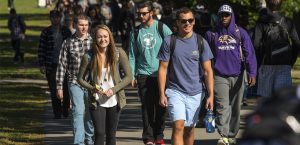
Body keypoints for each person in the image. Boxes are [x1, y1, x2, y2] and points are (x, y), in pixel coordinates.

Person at [157, 7, 214, 145]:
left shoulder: (201, 42)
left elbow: (207, 71)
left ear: (194, 22)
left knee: (189, 129)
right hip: (175, 91)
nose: (187, 23)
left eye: (190, 20)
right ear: (177, 22)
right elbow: (162, 69)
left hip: (196, 92)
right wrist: (162, 93)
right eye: (183, 21)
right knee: (178, 126)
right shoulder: (169, 41)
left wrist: (211, 95)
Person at [204, 4, 257, 145]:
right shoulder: (211, 34)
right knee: (222, 106)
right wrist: (204, 76)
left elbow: (249, 53)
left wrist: (252, 72)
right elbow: (205, 58)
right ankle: (223, 135)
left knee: (235, 107)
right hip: (219, 76)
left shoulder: (241, 33)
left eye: (226, 15)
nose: (224, 17)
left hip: (238, 75)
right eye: (221, 15)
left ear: (231, 16)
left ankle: (231, 135)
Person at [77, 24, 131, 145]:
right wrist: (93, 88)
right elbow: (80, 79)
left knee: (111, 134)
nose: (103, 39)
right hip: (96, 100)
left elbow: (129, 77)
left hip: (114, 99)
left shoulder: (119, 53)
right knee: (100, 133)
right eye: (99, 37)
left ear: (110, 37)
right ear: (95, 39)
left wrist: (114, 89)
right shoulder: (89, 56)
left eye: (105, 36)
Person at [128, 1, 172, 144]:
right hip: (143, 74)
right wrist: (132, 74)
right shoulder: (135, 32)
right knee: (147, 107)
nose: (141, 16)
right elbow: (132, 55)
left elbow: (174, 46)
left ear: (151, 13)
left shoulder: (161, 27)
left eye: (144, 13)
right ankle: (148, 138)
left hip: (161, 74)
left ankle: (159, 135)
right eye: (139, 13)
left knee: (161, 107)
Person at [56, 14, 94, 145]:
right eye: (81, 25)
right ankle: (79, 142)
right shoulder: (68, 42)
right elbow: (62, 65)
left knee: (90, 112)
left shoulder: (94, 41)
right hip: (74, 82)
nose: (83, 28)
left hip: (91, 83)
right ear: (75, 25)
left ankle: (89, 139)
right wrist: (59, 87)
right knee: (78, 111)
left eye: (86, 25)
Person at [253, 0, 300, 98]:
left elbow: (256, 45)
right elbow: (296, 43)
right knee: (282, 101)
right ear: (282, 3)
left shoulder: (261, 22)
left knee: (266, 101)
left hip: (266, 65)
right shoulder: (288, 22)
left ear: (267, 3)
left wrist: (258, 64)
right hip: (284, 65)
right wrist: (291, 62)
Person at [38, 10, 72, 119]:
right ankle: (57, 112)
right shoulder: (46, 32)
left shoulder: (66, 31)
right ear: (50, 18)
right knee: (54, 90)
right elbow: (41, 49)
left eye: (57, 17)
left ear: (60, 18)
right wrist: (42, 64)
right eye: (53, 17)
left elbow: (72, 47)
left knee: (66, 90)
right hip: (51, 65)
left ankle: (65, 108)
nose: (55, 19)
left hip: (65, 65)